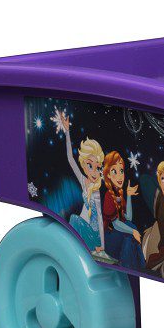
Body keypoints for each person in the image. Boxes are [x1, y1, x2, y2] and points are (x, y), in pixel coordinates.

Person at [53, 107, 106, 256]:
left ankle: (70, 248)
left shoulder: (96, 190)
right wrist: (67, 132)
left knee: (74, 220)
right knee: (74, 220)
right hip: (83, 227)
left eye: (98, 167)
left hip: (93, 234)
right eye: (90, 166)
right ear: (83, 165)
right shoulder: (84, 181)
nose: (94, 172)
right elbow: (70, 159)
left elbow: (99, 217)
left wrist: (102, 245)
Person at [101, 150, 144, 270]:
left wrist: (129, 195)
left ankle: (134, 267)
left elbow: (128, 217)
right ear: (108, 175)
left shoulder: (119, 194)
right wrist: (133, 231)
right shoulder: (109, 196)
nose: (120, 176)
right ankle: (129, 267)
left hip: (118, 236)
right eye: (114, 171)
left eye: (121, 171)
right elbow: (115, 224)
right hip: (109, 239)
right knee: (130, 233)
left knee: (130, 227)